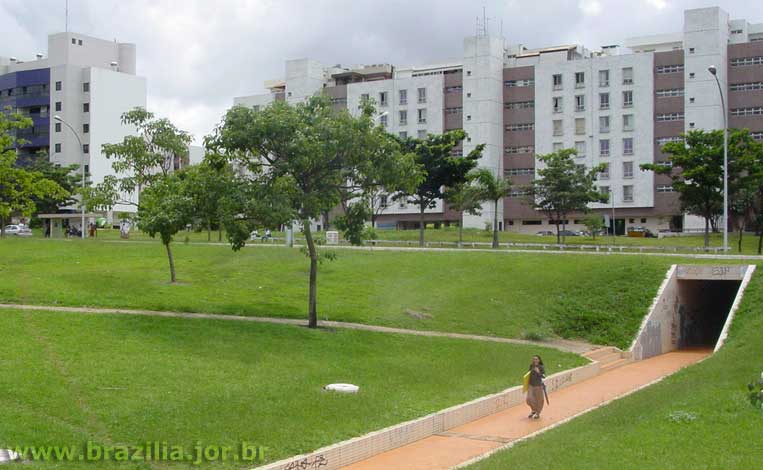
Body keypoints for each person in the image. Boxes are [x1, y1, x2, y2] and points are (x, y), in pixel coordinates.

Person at [526, 355, 546, 419]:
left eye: (536, 359)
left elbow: (543, 376)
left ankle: (537, 413)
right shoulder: (531, 366)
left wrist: (538, 372)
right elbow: (528, 374)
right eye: (533, 359)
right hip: (531, 385)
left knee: (539, 400)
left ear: (539, 360)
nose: (535, 360)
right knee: (529, 399)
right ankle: (534, 409)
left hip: (538, 385)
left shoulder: (541, 367)